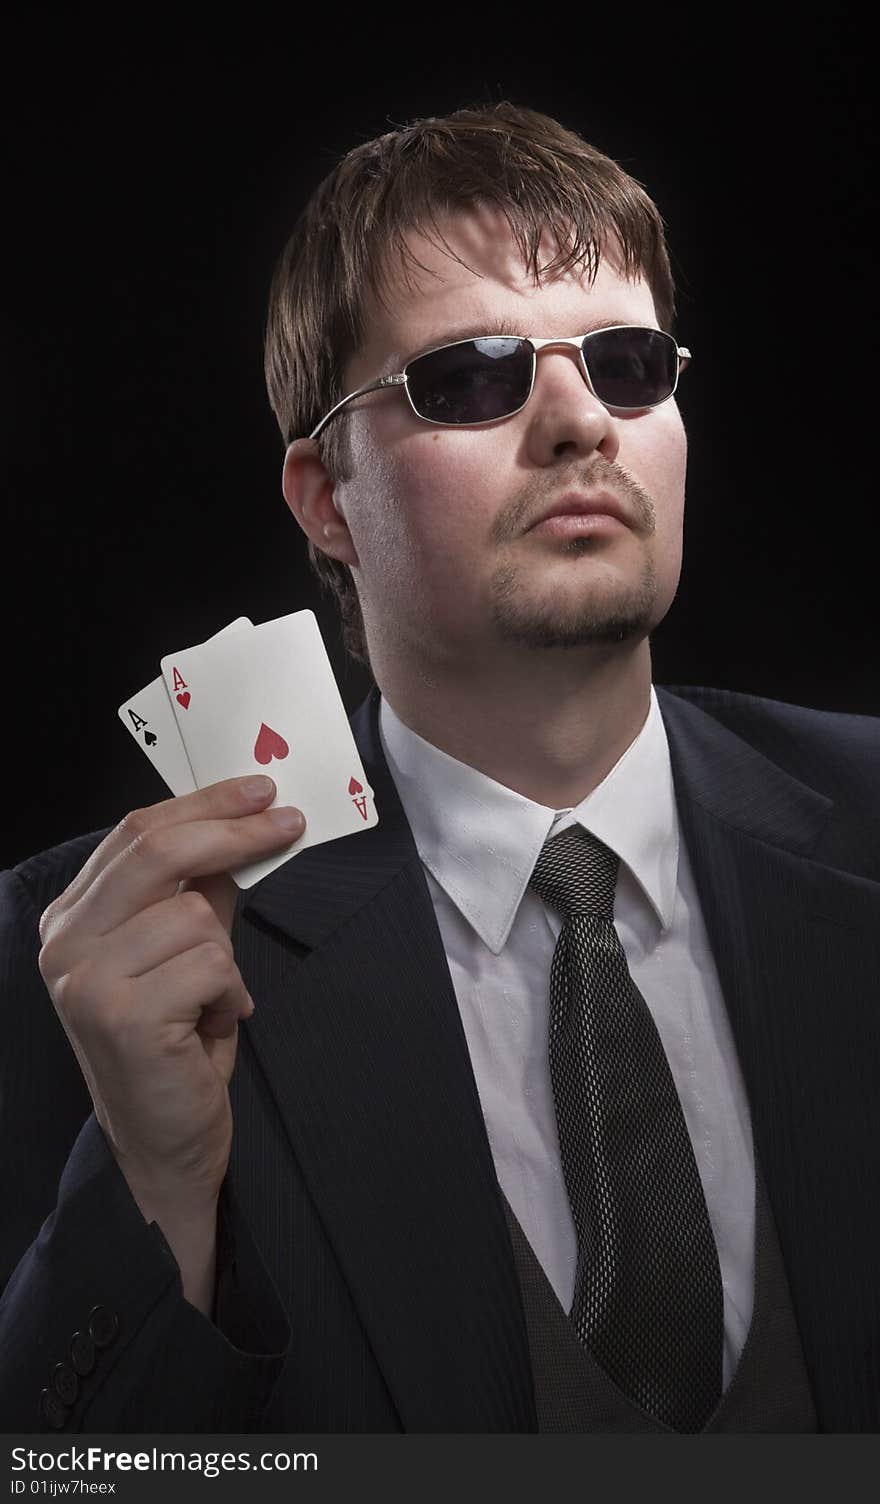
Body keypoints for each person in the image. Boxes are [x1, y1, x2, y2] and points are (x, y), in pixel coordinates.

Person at [1, 101, 877, 1436]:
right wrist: (158, 1194)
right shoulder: (89, 970)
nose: (584, 423)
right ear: (324, 497)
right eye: (471, 377)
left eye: (630, 364)